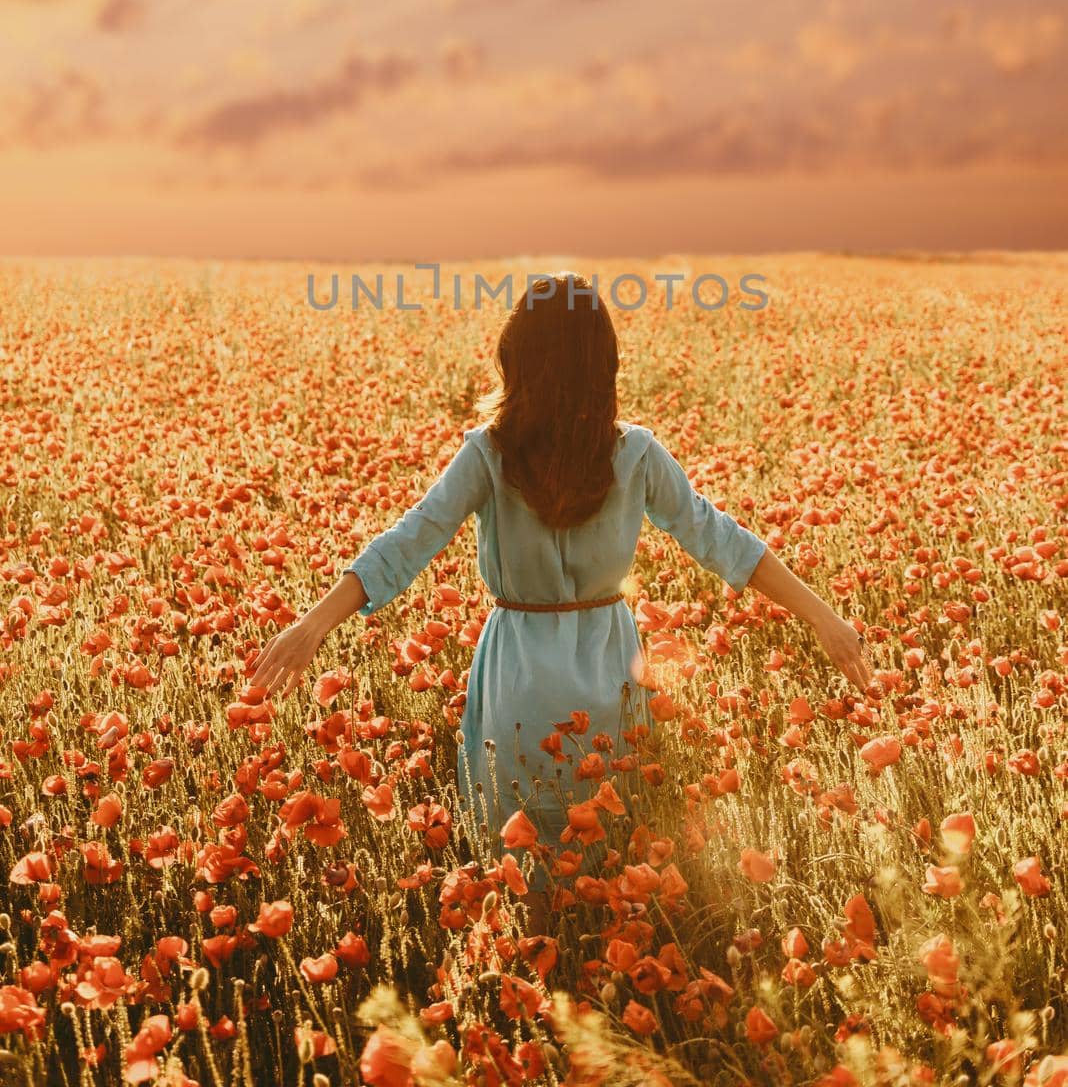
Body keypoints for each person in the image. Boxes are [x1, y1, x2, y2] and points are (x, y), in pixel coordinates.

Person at [247, 272, 874, 937]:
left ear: (516, 359)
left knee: (528, 876)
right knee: (610, 865)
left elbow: (409, 541)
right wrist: (824, 617)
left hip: (517, 677)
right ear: (603, 365)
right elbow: (723, 542)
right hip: (609, 674)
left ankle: (538, 1002)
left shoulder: (488, 453)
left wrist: (313, 623)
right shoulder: (633, 453)